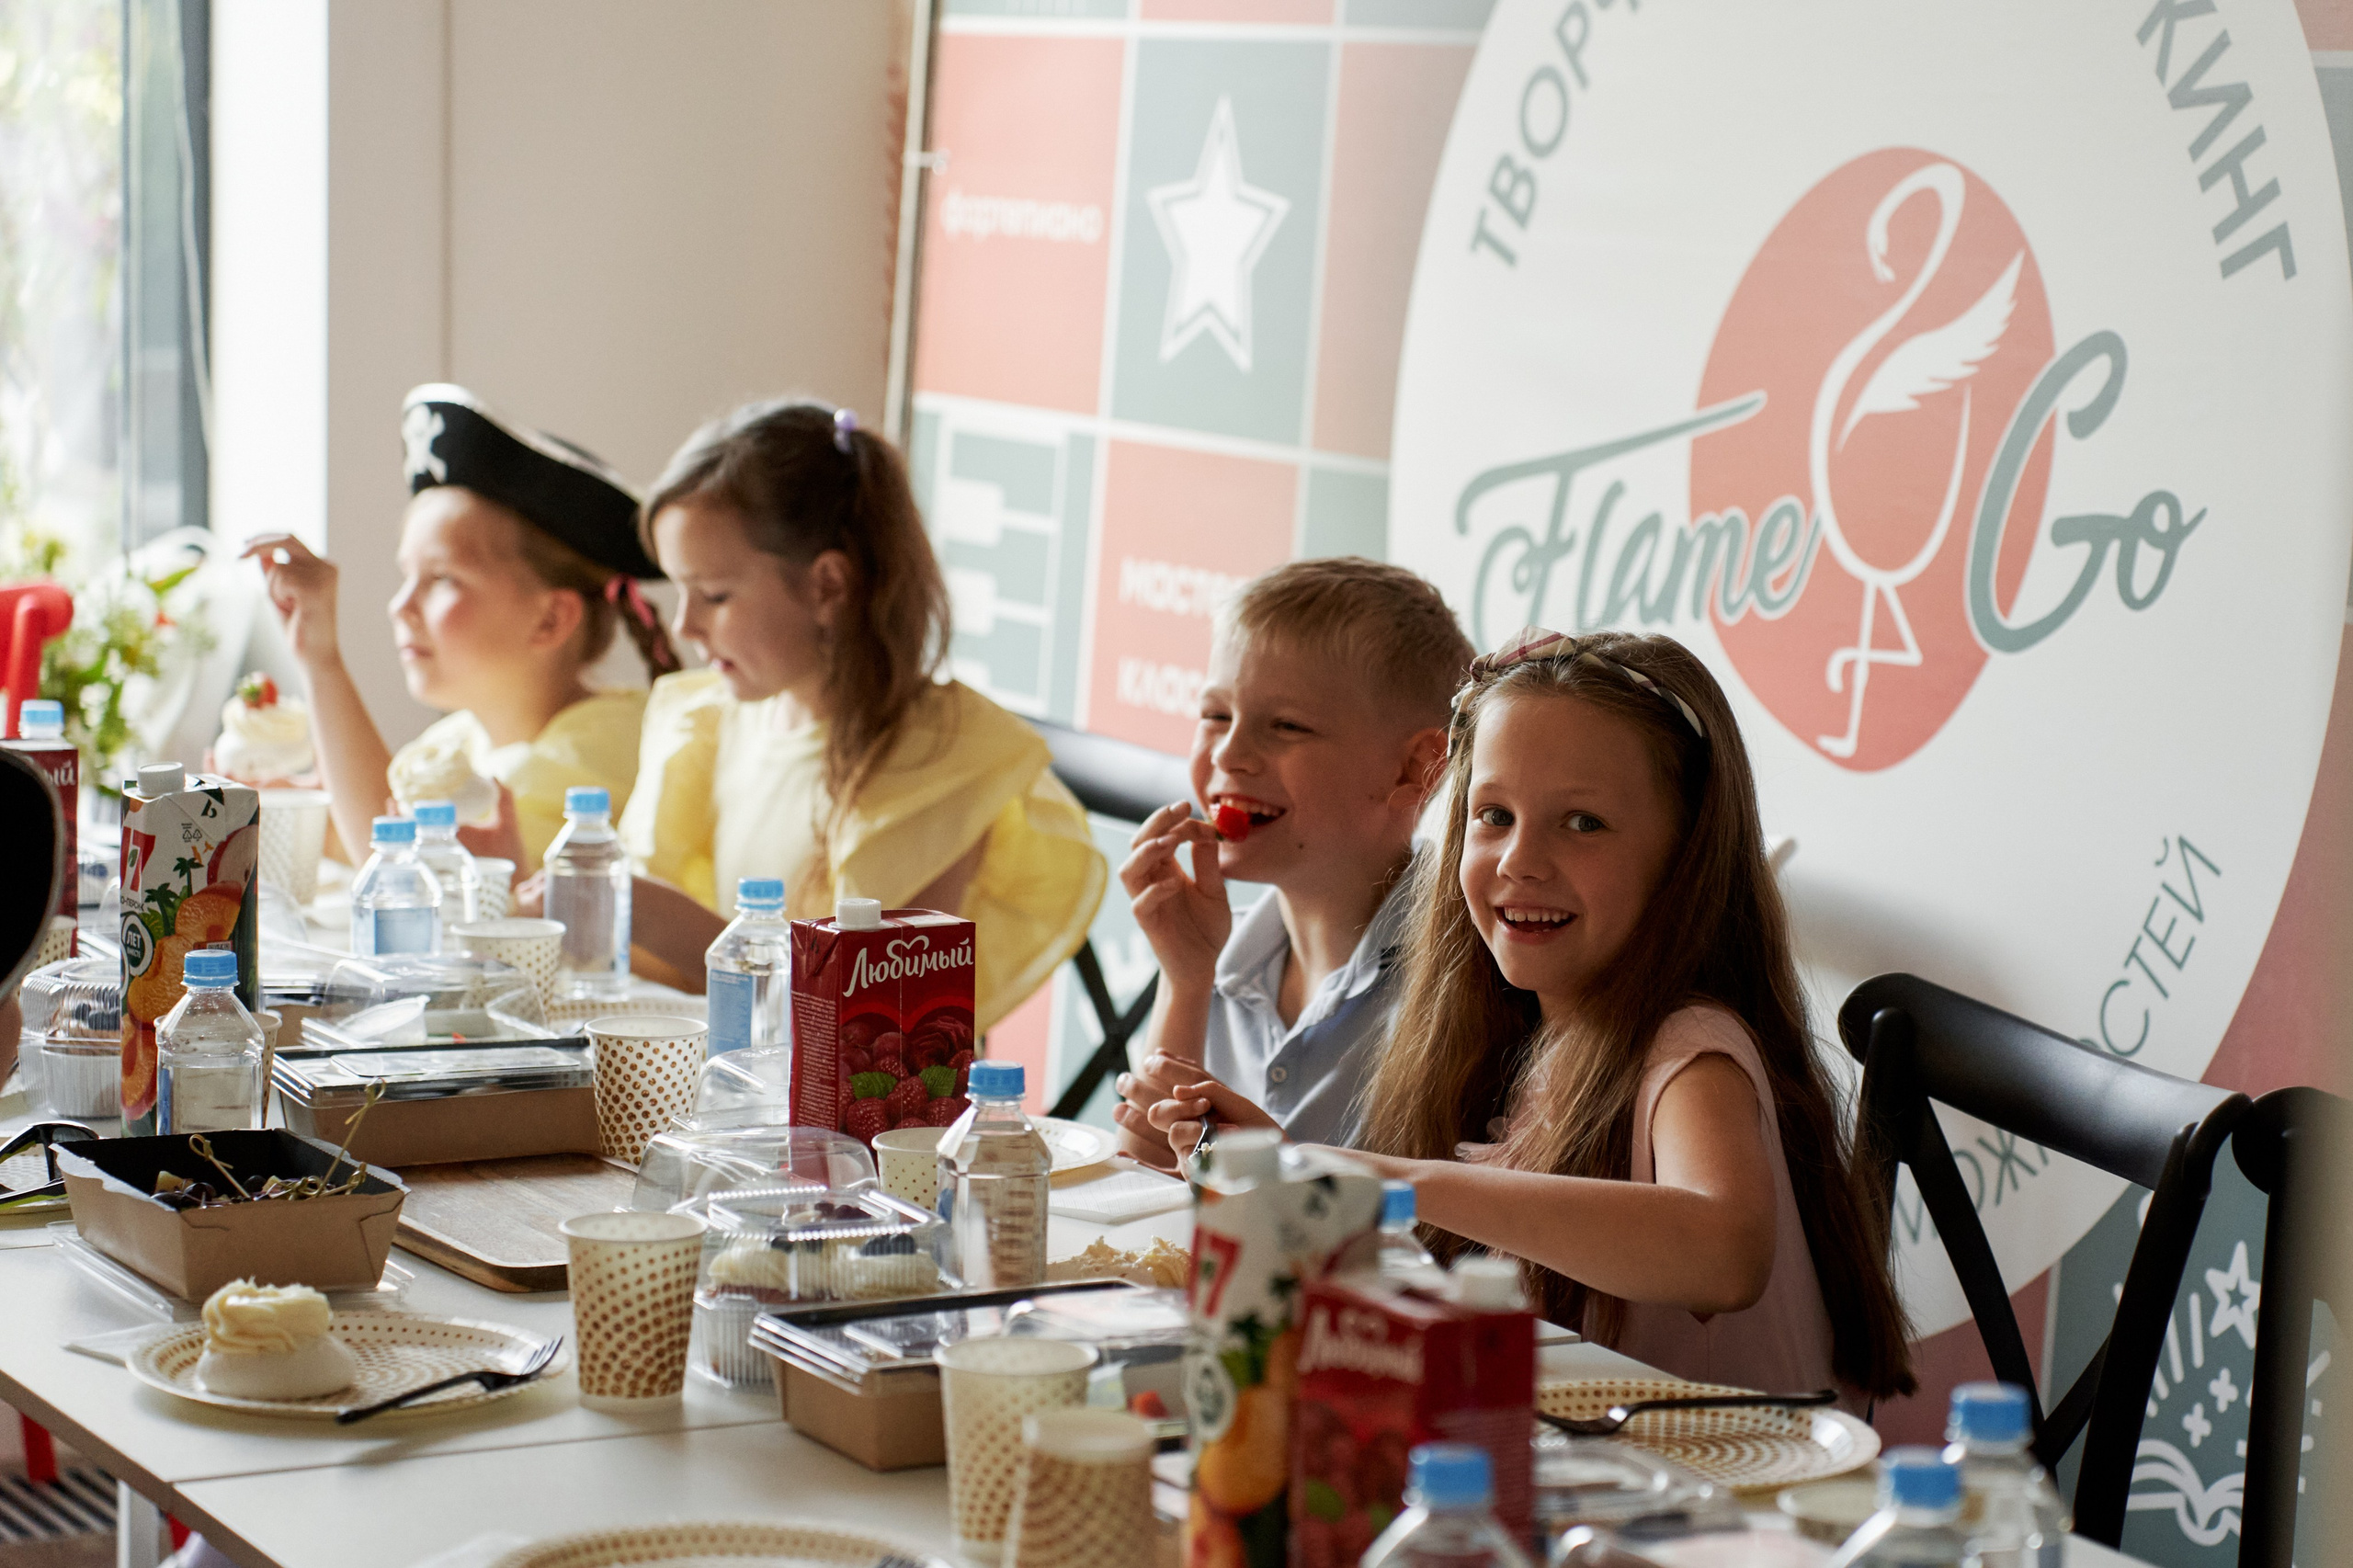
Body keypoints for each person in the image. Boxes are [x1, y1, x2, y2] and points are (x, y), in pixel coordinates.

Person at [1150, 629, 1914, 1403]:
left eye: (1583, 823)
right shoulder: (1526, 1035)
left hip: (1721, 1503)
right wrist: (1297, 1172)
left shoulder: (1693, 1049)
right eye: (1494, 816)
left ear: (1686, 856)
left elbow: (1724, 1254)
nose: (1521, 861)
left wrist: (1395, 1180)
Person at [616, 398, 1103, 1025]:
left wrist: (658, 917)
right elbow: (654, 978)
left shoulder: (938, 757)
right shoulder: (709, 719)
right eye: (679, 591)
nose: (686, 625)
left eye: (714, 595)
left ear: (827, 587)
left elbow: (873, 1019)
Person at [1109, 559, 1468, 1165]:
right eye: (1216, 715)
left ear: (1416, 768)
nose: (1229, 752)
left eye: (1286, 726)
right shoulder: (1214, 957)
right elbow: (1147, 1187)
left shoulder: (1463, 985)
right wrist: (1185, 978)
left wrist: (1278, 1173)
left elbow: (1428, 1242)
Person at [244, 385, 679, 875]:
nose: (399, 606)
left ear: (551, 619)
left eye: (442, 579)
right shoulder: (459, 740)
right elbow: (360, 831)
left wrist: (320, 659)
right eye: (406, 576)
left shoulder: (601, 751)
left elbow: (398, 867)